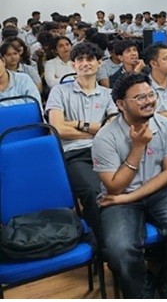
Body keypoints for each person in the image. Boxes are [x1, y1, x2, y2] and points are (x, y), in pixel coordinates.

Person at [91, 72, 167, 298]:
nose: (149, 101)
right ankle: (141, 288)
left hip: (159, 190)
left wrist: (131, 196)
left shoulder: (166, 126)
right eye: (140, 98)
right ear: (121, 104)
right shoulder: (105, 137)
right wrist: (137, 147)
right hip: (118, 200)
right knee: (120, 248)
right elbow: (114, 188)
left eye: (151, 94)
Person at [46, 42, 117, 240]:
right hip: (75, 154)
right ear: (73, 65)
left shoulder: (109, 94)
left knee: (131, 182)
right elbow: (58, 129)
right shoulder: (59, 91)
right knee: (94, 191)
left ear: (99, 63)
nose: (85, 63)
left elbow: (112, 128)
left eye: (90, 59)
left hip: (106, 151)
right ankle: (104, 243)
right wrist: (96, 130)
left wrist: (77, 124)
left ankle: (125, 233)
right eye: (80, 59)